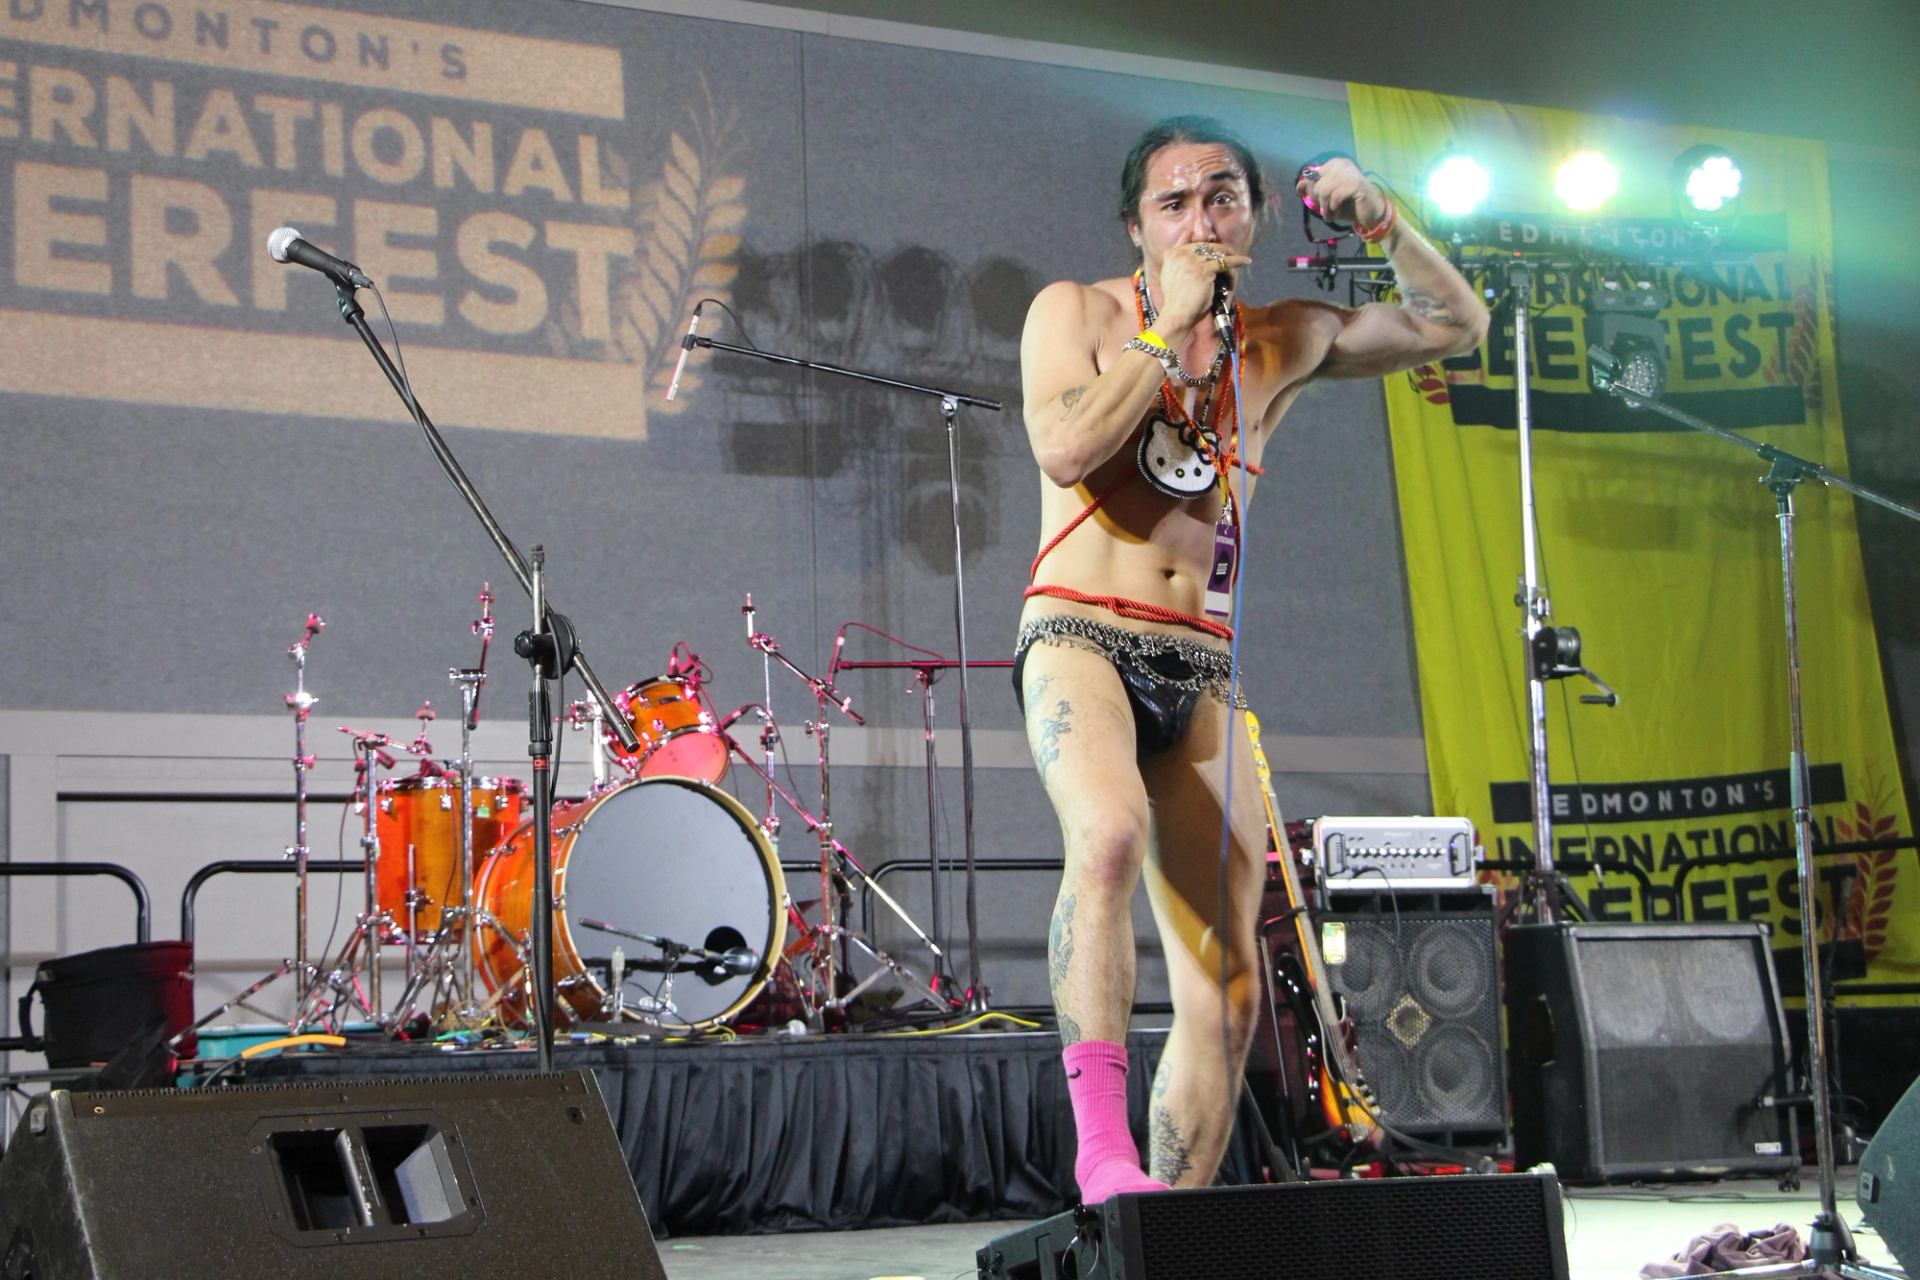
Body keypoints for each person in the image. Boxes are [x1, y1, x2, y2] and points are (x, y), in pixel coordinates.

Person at [1015, 115, 1489, 1202]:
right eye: (1174, 203)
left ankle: (1162, 1231)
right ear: (1137, 226)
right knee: (1108, 835)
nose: (1200, 219)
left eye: (1222, 196)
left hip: (1204, 667)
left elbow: (1458, 322)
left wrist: (1383, 216)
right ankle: (1101, 1157)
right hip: (1080, 632)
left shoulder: (1284, 338)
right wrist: (1163, 326)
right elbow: (1065, 446)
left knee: (1227, 992)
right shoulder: (1076, 312)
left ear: (1256, 217)